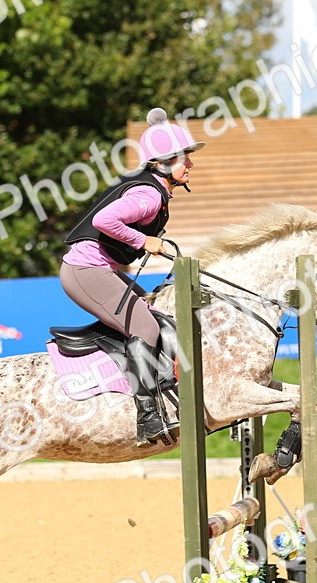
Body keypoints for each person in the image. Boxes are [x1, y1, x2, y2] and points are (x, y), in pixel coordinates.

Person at [61, 108, 204, 445]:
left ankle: (161, 392)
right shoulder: (149, 194)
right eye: (186, 158)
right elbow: (104, 221)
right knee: (146, 326)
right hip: (85, 271)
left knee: (153, 311)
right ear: (165, 162)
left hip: (95, 269)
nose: (191, 164)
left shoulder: (153, 188)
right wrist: (144, 241)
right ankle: (147, 416)